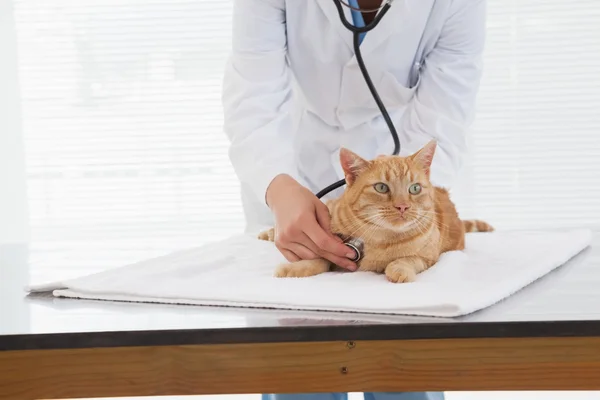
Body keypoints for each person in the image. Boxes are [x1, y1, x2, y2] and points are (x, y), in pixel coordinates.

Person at [222, 0, 486, 399]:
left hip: (401, 184)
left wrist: (412, 227)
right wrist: (278, 188)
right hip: (293, 171)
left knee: (404, 375)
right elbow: (253, 97)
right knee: (301, 376)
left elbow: (442, 125)